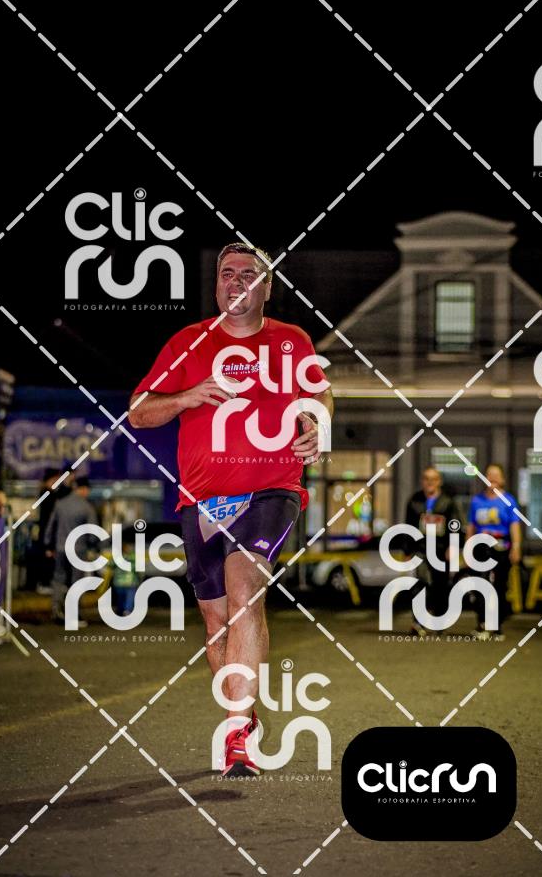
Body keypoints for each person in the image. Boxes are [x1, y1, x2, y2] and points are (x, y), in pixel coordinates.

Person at [128, 242, 333, 776]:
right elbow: (138, 413)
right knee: (217, 624)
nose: (237, 281)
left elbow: (320, 396)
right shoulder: (187, 342)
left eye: (249, 274)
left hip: (272, 488)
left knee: (245, 595)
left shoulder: (292, 341)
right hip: (201, 501)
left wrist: (317, 424)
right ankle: (244, 710)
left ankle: (236, 737)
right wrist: (187, 396)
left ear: (267, 287)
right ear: (217, 284)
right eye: (227, 273)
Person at [404, 467, 462, 636]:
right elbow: (408, 526)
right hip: (421, 549)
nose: (430, 482)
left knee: (440, 585)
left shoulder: (448, 502)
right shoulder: (414, 501)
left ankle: (439, 619)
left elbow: (455, 525)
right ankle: (418, 622)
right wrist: (407, 550)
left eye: (433, 479)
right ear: (422, 481)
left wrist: (453, 546)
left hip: (441, 550)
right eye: (426, 479)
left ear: (439, 482)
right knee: (421, 582)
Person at [467, 463, 522, 641]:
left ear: (503, 479)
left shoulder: (509, 500)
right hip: (480, 547)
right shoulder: (476, 501)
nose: (493, 478)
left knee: (499, 587)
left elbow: (514, 525)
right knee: (480, 585)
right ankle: (482, 623)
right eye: (489, 475)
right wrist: (468, 548)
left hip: (501, 548)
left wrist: (516, 547)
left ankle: (496, 626)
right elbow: (471, 526)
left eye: (496, 475)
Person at [44, 476, 99, 626]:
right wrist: (93, 546)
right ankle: (73, 614)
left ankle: (56, 610)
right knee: (77, 582)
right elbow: (93, 533)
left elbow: (50, 527)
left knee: (58, 579)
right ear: (84, 489)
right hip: (78, 550)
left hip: (60, 547)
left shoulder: (60, 504)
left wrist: (48, 545)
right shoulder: (87, 507)